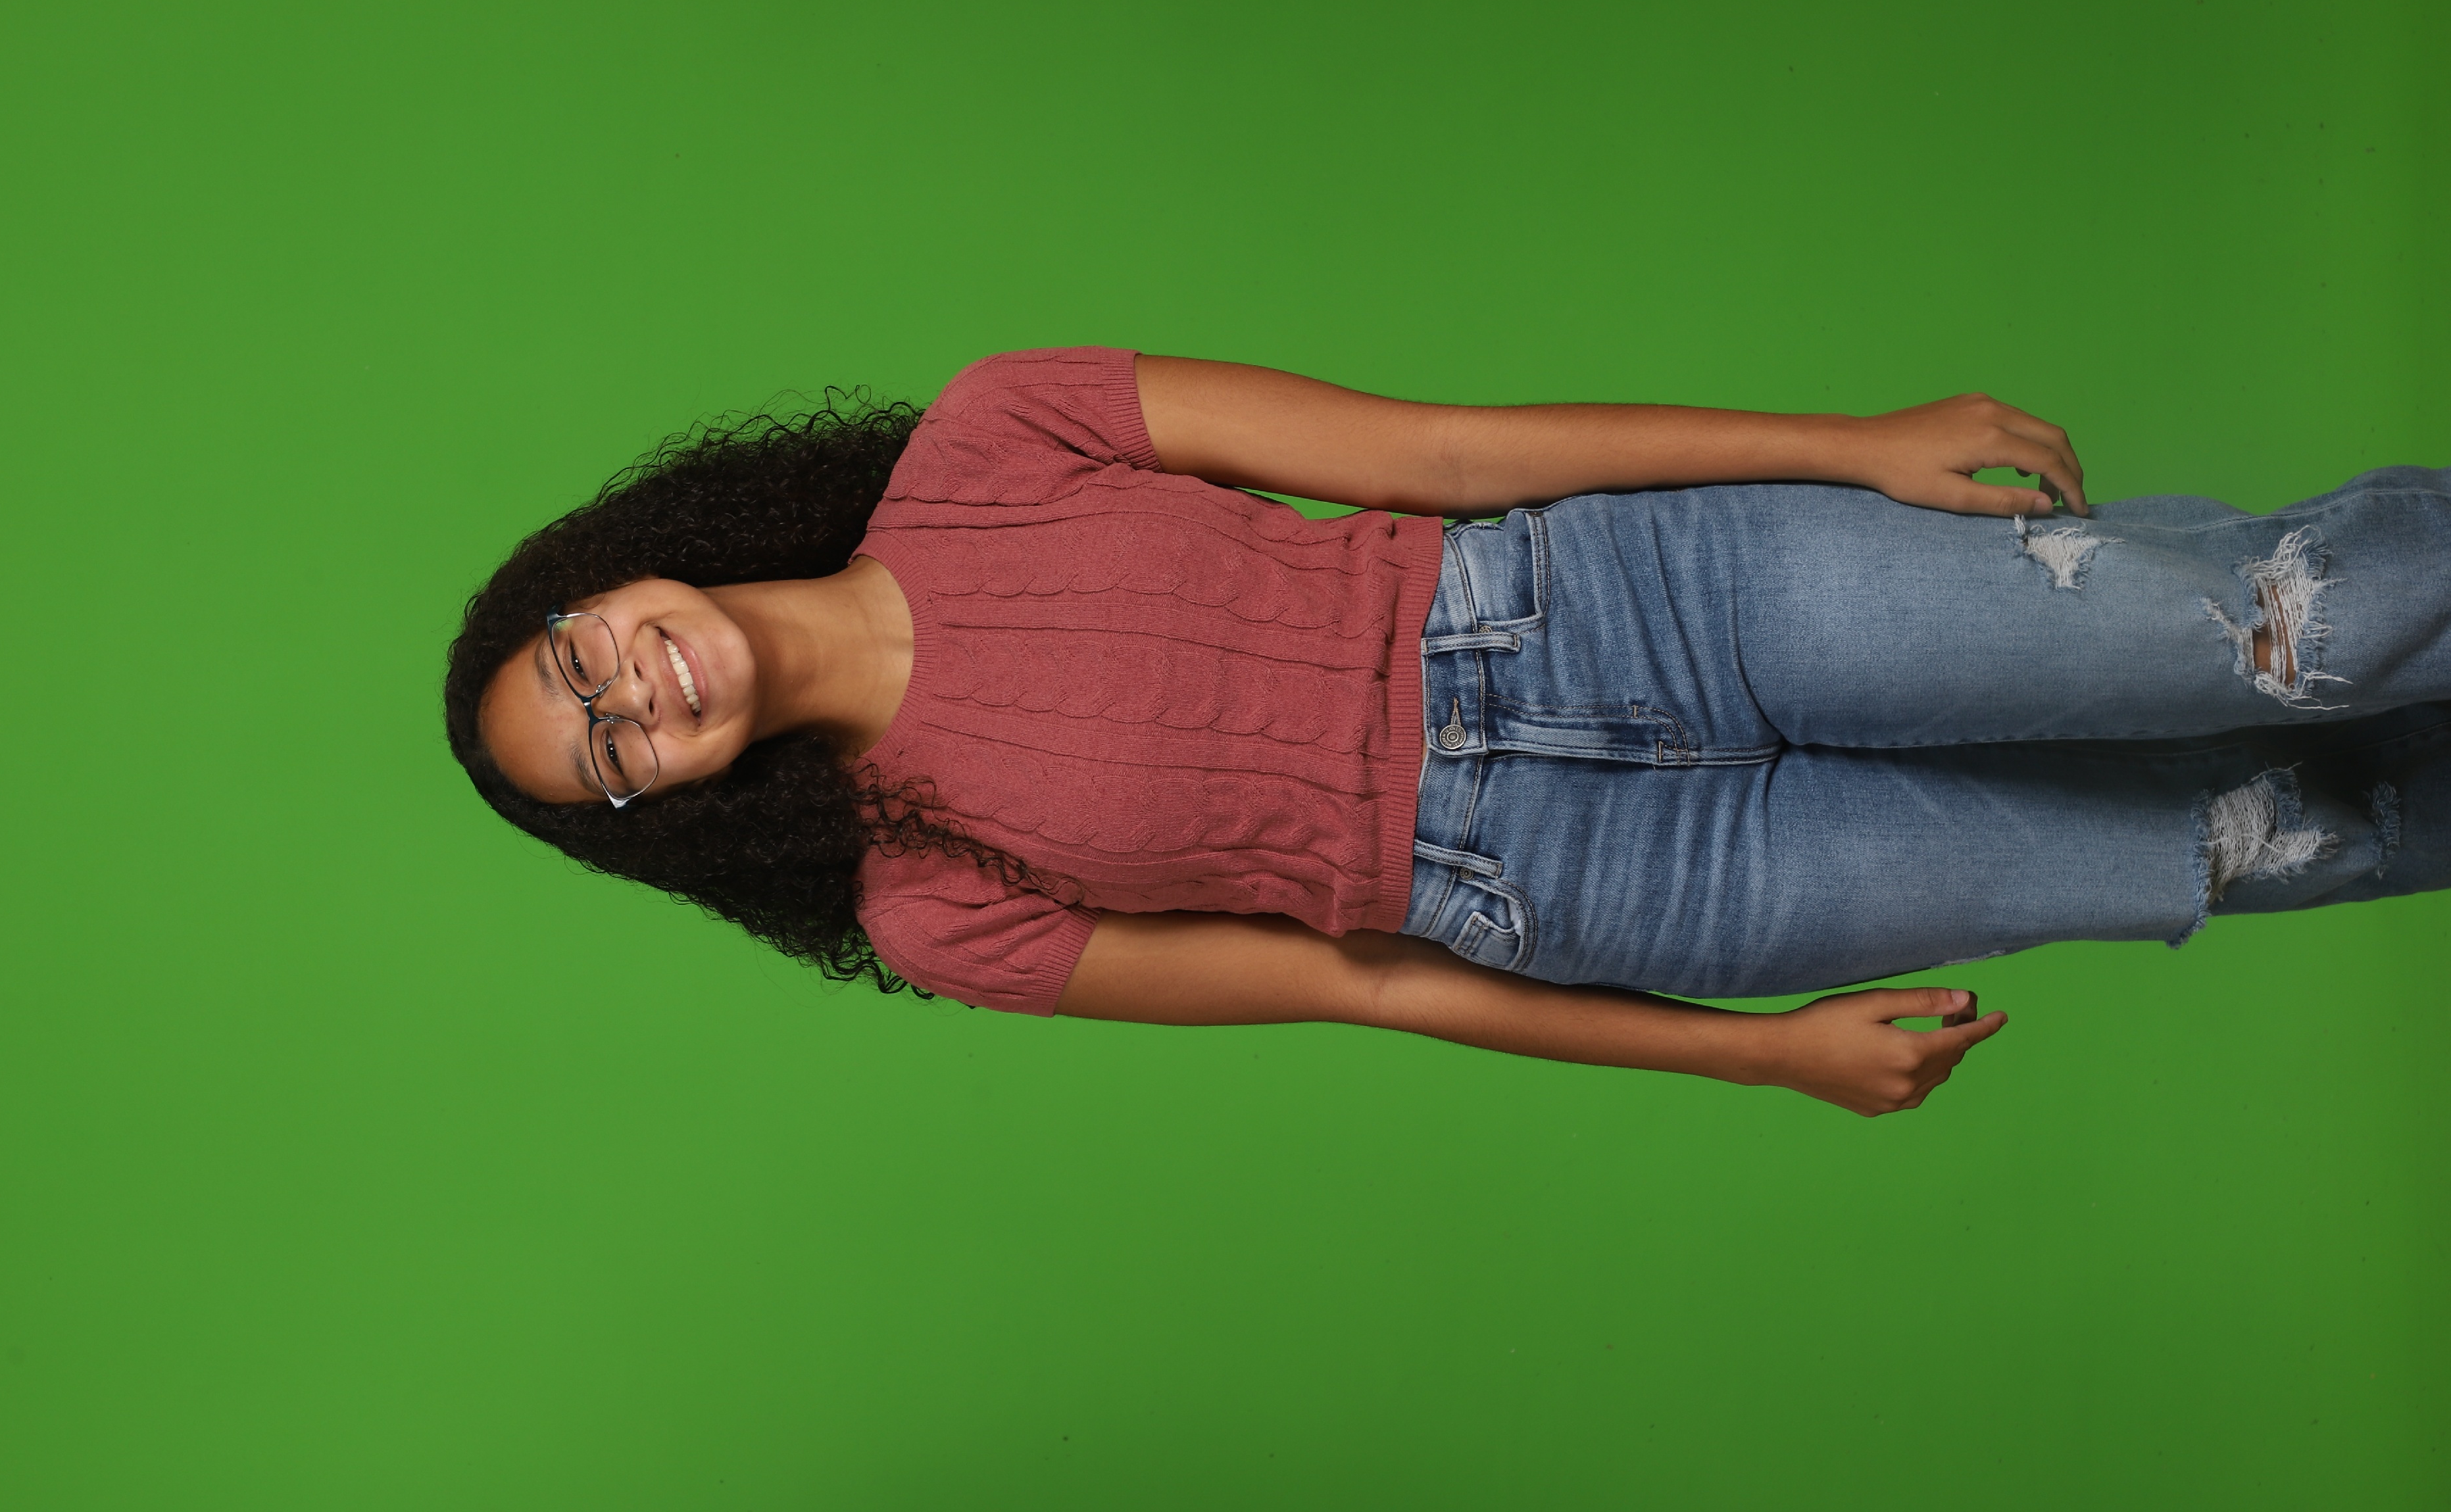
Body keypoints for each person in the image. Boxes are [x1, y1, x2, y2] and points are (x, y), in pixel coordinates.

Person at [444, 348, 2449, 1116]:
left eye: (579, 662)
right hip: (1605, 887)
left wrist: (1847, 442)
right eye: (607, 753)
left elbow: (1444, 450)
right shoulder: (925, 907)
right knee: (2237, 837)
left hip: (1643, 601)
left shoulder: (992, 432)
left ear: (608, 573)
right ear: (662, 808)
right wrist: (1761, 1059)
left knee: (2277, 632)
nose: (636, 698)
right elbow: (1369, 992)